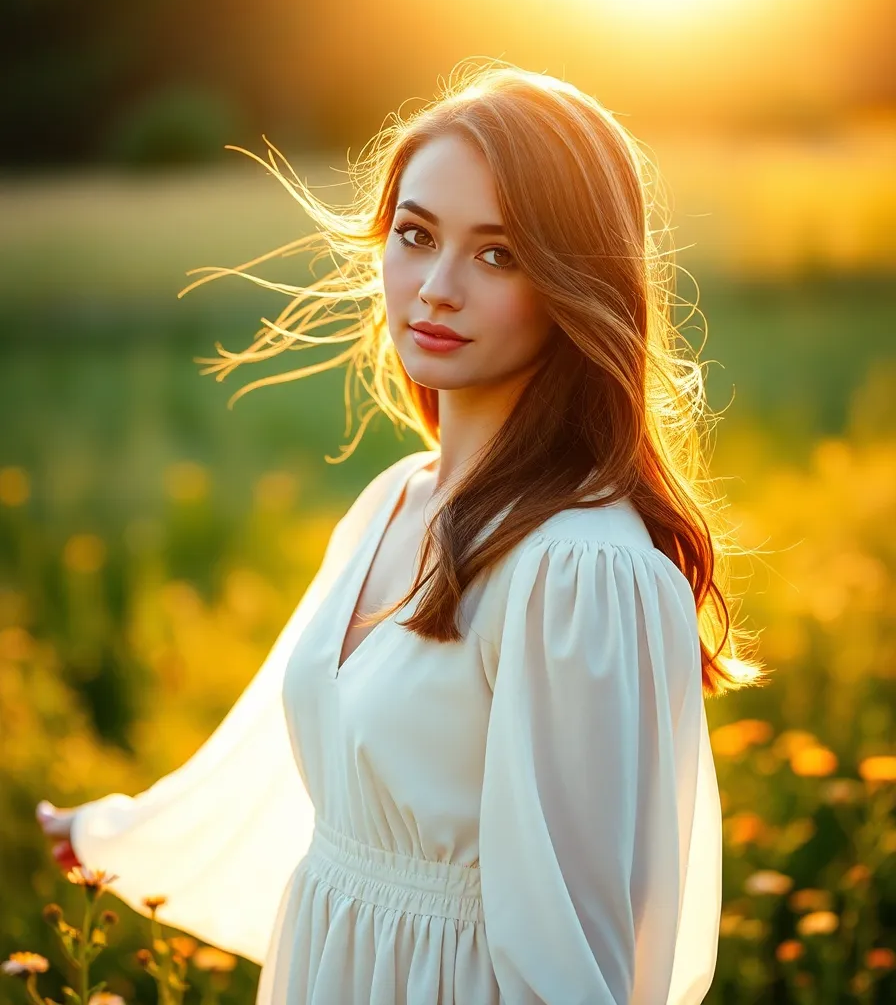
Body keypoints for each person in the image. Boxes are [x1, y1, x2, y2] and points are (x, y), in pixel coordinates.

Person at [37, 59, 768, 1004]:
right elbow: (310, 769)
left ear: (575, 283)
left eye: (498, 254)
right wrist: (116, 837)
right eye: (416, 236)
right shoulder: (394, 501)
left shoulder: (576, 569)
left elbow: (581, 961)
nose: (436, 288)